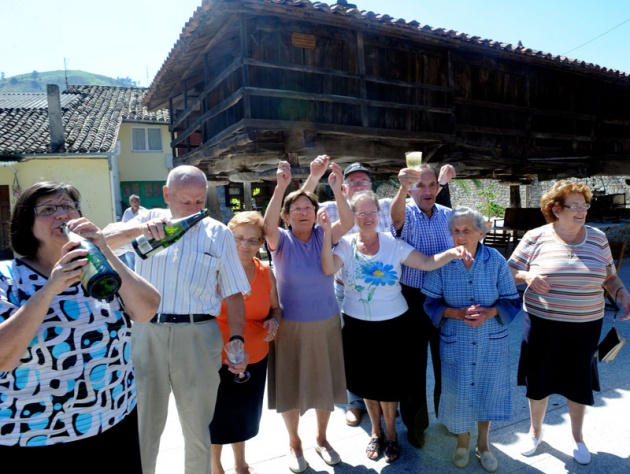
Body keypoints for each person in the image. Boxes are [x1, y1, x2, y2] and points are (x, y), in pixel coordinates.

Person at [0, 181, 160, 473]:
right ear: (27, 224)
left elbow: (148, 309)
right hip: (36, 436)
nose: (62, 215)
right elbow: (3, 357)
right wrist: (50, 288)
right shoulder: (8, 278)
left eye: (68, 207)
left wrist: (105, 251)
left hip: (114, 421)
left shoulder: (99, 268)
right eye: (48, 209)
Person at [103, 165, 250, 474]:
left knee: (198, 429)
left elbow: (235, 293)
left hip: (199, 334)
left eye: (200, 202)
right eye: (186, 201)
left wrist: (236, 339)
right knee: (143, 425)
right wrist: (140, 230)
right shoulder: (143, 220)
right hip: (146, 332)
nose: (194, 209)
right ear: (167, 195)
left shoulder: (218, 233)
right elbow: (100, 242)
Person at [319, 191, 472, 464]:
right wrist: (326, 233)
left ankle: (391, 434)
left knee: (388, 383)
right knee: (367, 382)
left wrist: (452, 252)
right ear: (353, 217)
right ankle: (375, 432)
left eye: (372, 212)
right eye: (361, 213)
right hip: (357, 326)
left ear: (379, 215)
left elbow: (426, 263)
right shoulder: (345, 244)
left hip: (393, 325)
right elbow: (328, 269)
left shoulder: (393, 244)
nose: (367, 218)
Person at [302, 156, 456, 427]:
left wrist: (436, 184)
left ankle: (390, 410)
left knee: (388, 364)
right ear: (344, 187)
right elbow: (300, 208)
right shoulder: (330, 209)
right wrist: (317, 179)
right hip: (346, 289)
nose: (367, 217)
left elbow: (417, 198)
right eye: (352, 181)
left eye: (364, 180)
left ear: (372, 186)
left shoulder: (384, 208)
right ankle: (356, 403)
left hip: (392, 298)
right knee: (358, 357)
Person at [508, 179, 630, 465]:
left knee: (578, 382)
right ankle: (535, 433)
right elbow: (509, 270)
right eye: (574, 206)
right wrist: (527, 277)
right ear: (555, 209)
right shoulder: (536, 237)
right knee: (539, 380)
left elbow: (610, 277)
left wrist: (622, 293)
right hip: (541, 324)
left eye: (584, 205)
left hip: (586, 325)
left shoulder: (598, 238)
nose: (581, 211)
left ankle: (578, 438)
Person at [263, 157, 353, 473]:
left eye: (309, 208)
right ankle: (294, 442)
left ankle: (322, 438)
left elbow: (349, 222)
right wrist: (282, 187)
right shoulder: (281, 241)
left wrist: (336, 189)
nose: (303, 212)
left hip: (327, 321)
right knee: (290, 386)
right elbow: (266, 224)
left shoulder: (324, 236)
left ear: (316, 214)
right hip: (289, 326)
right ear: (286, 218)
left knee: (324, 385)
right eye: (296, 209)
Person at [422, 206, 521, 472]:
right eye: (456, 231)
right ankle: (463, 442)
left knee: (489, 390)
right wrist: (455, 312)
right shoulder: (444, 262)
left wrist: (490, 312)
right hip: (457, 339)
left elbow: (512, 300)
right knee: (458, 391)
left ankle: (484, 445)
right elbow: (430, 302)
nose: (461, 236)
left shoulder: (496, 260)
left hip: (491, 340)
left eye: (467, 230)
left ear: (481, 232)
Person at [390, 162, 457, 448]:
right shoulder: (406, 213)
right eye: (421, 185)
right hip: (413, 299)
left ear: (439, 188)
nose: (427, 190)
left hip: (446, 298)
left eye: (432, 185)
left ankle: (451, 417)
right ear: (412, 189)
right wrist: (403, 188)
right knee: (413, 366)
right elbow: (394, 219)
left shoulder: (448, 215)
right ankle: (416, 426)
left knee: (449, 362)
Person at [210, 211, 282, 474]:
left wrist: (274, 322)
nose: (244, 245)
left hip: (255, 358)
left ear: (261, 242)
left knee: (242, 414)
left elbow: (275, 308)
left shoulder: (265, 272)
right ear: (228, 238)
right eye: (238, 238)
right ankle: (215, 466)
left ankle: (240, 462)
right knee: (215, 415)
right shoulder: (213, 269)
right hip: (216, 357)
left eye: (252, 240)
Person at [120, 194, 147, 268]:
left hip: (141, 237)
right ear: (130, 203)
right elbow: (123, 224)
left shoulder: (144, 211)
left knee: (141, 257)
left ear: (139, 202)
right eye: (132, 201)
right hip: (129, 238)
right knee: (129, 257)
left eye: (136, 201)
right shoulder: (127, 212)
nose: (135, 202)